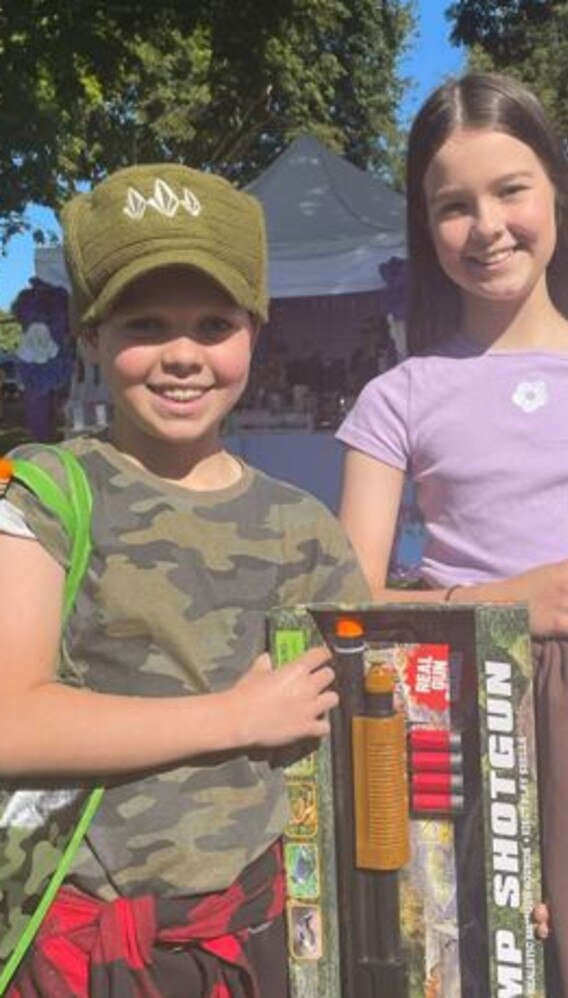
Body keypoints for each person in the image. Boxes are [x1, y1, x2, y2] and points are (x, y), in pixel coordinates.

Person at [0, 163, 368, 997]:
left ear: (254, 333)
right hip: (85, 944)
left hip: (255, 937)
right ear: (90, 337)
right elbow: (9, 721)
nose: (181, 355)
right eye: (144, 323)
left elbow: (384, 687)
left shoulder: (302, 524)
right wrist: (237, 716)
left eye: (212, 323)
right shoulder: (47, 491)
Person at [336, 71, 568, 998]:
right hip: (467, 731)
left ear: (557, 188)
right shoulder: (396, 398)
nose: (488, 227)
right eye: (453, 205)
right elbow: (346, 607)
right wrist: (517, 602)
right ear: (425, 227)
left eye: (511, 189)